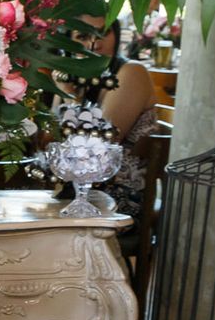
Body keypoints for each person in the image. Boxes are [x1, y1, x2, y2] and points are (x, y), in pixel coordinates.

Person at [61, 13, 155, 219]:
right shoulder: (77, 78)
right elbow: (50, 139)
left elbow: (95, 152)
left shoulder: (131, 72)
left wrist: (66, 94)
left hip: (117, 197)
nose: (94, 44)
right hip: (78, 192)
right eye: (83, 37)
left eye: (103, 33)